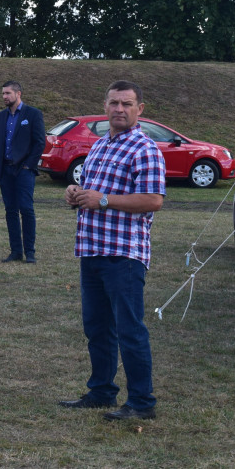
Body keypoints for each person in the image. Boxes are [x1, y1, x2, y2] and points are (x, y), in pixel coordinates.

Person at [60, 80, 166, 421]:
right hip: (92, 250)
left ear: (139, 109)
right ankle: (102, 391)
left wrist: (103, 200)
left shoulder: (144, 148)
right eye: (114, 103)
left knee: (130, 330)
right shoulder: (99, 146)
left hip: (124, 256)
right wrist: (76, 193)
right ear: (105, 107)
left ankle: (141, 403)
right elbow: (93, 192)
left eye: (127, 104)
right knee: (97, 327)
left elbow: (153, 200)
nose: (119, 109)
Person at [0, 81, 45, 263]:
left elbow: (40, 142)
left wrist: (29, 165)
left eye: (8, 93)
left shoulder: (33, 114)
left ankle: (30, 252)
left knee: (26, 209)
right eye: (3, 93)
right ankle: (16, 251)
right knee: (10, 210)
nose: (4, 97)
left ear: (18, 94)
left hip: (24, 170)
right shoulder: (1, 116)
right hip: (5, 170)